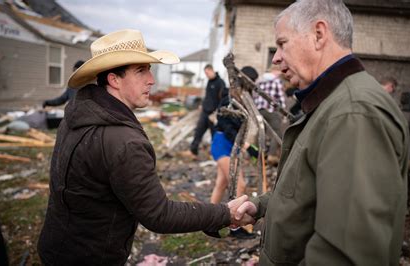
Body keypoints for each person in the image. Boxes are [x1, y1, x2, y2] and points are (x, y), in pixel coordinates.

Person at [37, 29, 253, 265]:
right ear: (114, 79)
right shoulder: (124, 142)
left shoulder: (78, 114)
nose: (151, 79)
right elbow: (159, 214)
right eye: (141, 70)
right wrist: (224, 214)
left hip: (57, 246)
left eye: (149, 69)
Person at [235, 1, 410, 265]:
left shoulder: (354, 113)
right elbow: (308, 191)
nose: (276, 57)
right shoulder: (330, 104)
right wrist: (260, 205)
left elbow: (344, 255)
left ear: (319, 34)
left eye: (282, 43)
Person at [209, 66, 259, 239]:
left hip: (232, 145)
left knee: (221, 184)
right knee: (240, 185)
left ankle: (208, 223)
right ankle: (235, 228)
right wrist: (246, 146)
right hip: (223, 143)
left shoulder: (245, 99)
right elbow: (224, 124)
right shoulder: (228, 97)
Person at [189, 64, 226, 157]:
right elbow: (207, 96)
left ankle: (216, 154)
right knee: (198, 131)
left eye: (207, 73)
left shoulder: (220, 82)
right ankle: (193, 151)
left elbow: (223, 99)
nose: (206, 75)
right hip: (205, 112)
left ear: (211, 70)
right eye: (205, 73)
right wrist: (202, 104)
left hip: (213, 114)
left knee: (214, 135)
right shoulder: (209, 82)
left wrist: (217, 112)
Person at [254, 64, 286, 162]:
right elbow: (281, 97)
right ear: (275, 71)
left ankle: (257, 155)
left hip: (259, 110)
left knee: (260, 132)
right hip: (271, 110)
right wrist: (284, 112)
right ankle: (272, 155)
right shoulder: (276, 81)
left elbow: (255, 95)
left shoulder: (260, 81)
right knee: (277, 132)